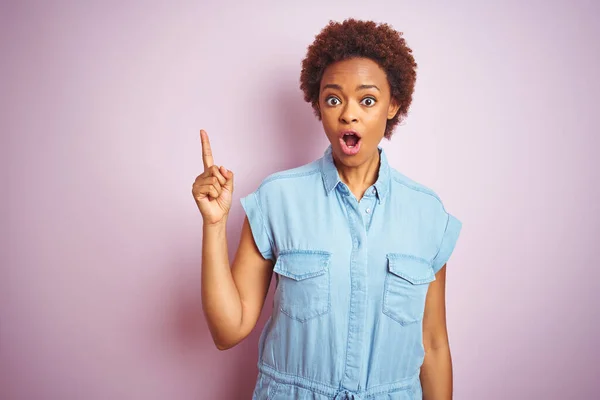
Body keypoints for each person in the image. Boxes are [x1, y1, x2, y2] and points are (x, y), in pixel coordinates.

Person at [192, 18, 462, 400]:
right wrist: (214, 224)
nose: (348, 114)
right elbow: (228, 330)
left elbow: (433, 346)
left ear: (393, 105)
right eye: (333, 98)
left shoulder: (428, 214)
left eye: (367, 100)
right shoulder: (276, 199)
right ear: (319, 104)